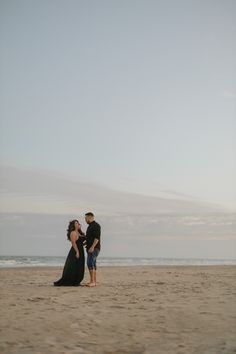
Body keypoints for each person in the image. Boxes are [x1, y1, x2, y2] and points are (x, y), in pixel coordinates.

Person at [53, 219, 85, 286]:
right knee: (73, 266)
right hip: (75, 251)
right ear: (73, 225)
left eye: (78, 223)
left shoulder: (79, 232)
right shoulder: (73, 232)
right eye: (76, 223)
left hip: (81, 251)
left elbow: (83, 240)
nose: (77, 224)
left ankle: (77, 281)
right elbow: (73, 243)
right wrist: (77, 252)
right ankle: (71, 281)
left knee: (79, 266)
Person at [85, 212, 101, 287]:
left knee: (90, 263)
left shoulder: (96, 226)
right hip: (91, 248)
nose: (85, 220)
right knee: (93, 264)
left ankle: (92, 282)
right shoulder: (89, 226)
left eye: (86, 218)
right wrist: (85, 243)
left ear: (91, 217)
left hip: (94, 248)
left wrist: (92, 247)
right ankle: (94, 281)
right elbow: (89, 238)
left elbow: (97, 238)